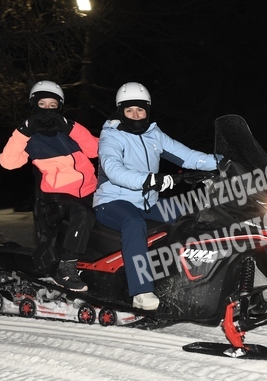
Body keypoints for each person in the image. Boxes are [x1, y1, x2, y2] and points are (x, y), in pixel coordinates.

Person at [93, 82, 220, 310]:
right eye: (129, 110)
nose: (135, 115)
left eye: (140, 110)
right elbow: (113, 170)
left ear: (147, 111)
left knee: (191, 213)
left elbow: (188, 157)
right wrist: (150, 179)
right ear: (120, 111)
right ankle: (141, 292)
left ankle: (194, 278)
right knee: (134, 223)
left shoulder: (154, 135)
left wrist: (224, 161)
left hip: (148, 202)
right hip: (113, 201)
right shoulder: (111, 136)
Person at [0, 80, 99, 292]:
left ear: (59, 107)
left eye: (52, 105)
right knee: (84, 214)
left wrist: (69, 126)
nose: (47, 110)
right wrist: (23, 131)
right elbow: (8, 163)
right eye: (42, 104)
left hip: (91, 190)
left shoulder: (69, 130)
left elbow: (95, 150)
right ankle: (66, 268)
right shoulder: (30, 137)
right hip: (58, 195)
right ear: (33, 106)